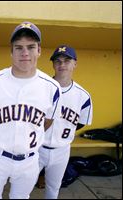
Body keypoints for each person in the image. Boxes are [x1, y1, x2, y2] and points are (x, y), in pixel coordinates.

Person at [0, 21, 63, 199]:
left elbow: (47, 121)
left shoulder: (52, 87)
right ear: (11, 51)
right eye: (18, 47)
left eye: (31, 47)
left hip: (29, 160)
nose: (25, 53)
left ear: (39, 50)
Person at [38, 45, 93, 199]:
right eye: (58, 61)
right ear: (53, 64)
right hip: (36, 147)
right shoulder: (40, 87)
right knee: (24, 187)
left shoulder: (83, 96)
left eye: (67, 61)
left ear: (75, 63)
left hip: (62, 150)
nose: (62, 65)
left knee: (53, 188)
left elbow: (80, 123)